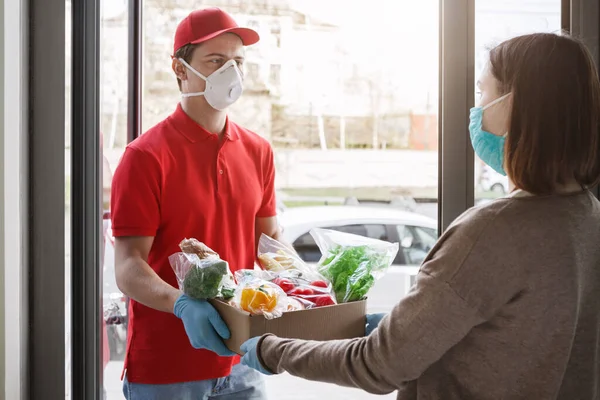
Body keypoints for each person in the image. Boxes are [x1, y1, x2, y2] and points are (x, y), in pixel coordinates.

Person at [240, 32, 600, 399]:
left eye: (482, 93)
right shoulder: (588, 216)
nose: (476, 110)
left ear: (515, 105)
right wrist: (405, 328)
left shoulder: (494, 231)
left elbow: (377, 366)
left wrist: (273, 350)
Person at [111, 7, 281, 400]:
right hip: (167, 370)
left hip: (245, 358)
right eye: (216, 61)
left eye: (238, 62)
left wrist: (313, 288)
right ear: (180, 68)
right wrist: (182, 304)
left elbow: (270, 244)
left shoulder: (259, 151)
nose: (231, 73)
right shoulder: (146, 156)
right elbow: (128, 266)